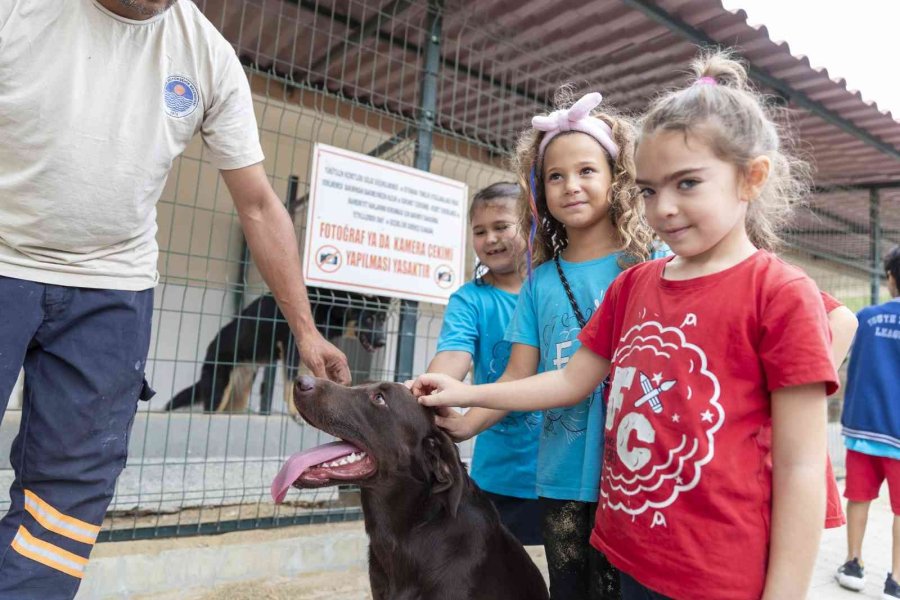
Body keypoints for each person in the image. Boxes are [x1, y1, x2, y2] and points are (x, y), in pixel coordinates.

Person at [412, 51, 840, 600]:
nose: (663, 207)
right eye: (649, 189)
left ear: (751, 178)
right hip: (628, 544)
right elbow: (569, 380)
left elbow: (803, 465)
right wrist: (465, 395)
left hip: (720, 568)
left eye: (687, 183)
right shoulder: (634, 285)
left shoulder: (779, 293)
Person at [0, 1, 349, 597]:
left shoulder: (206, 54)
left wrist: (307, 332)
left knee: (73, 484)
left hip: (113, 284)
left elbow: (260, 205)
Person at [428, 88, 660, 600]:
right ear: (538, 190)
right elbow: (516, 375)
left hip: (641, 474)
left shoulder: (651, 263)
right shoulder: (541, 282)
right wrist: (464, 420)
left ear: (616, 178)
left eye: (586, 171)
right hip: (561, 480)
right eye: (555, 176)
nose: (571, 186)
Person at [427, 182, 543, 545]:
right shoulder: (470, 300)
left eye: (501, 226)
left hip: (562, 468)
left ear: (529, 225)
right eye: (479, 231)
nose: (490, 238)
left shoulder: (552, 288)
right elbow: (454, 353)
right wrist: (432, 387)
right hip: (499, 473)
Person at [835, 244, 900, 599]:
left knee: (858, 498)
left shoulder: (867, 317)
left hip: (863, 431)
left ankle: (854, 563)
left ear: (891, 278)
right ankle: (896, 580)